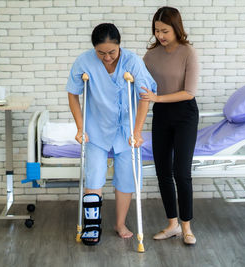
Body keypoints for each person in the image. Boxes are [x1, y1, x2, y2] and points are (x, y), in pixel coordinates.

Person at [66, 23, 156, 245]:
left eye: (112, 52)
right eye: (101, 53)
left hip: (126, 129)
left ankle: (120, 223)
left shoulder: (132, 62)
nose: (107, 58)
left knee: (126, 177)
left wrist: (137, 131)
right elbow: (73, 94)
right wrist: (80, 127)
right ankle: (92, 225)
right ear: (94, 49)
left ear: (119, 46)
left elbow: (145, 96)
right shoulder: (84, 61)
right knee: (94, 173)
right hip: (96, 127)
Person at [140, 6, 199, 245]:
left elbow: (189, 92)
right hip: (161, 114)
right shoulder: (150, 55)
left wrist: (157, 98)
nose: (160, 35)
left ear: (176, 29)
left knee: (181, 173)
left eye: (165, 30)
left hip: (185, 114)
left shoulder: (188, 52)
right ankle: (172, 225)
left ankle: (187, 227)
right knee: (163, 171)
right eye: (156, 31)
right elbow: (139, 82)